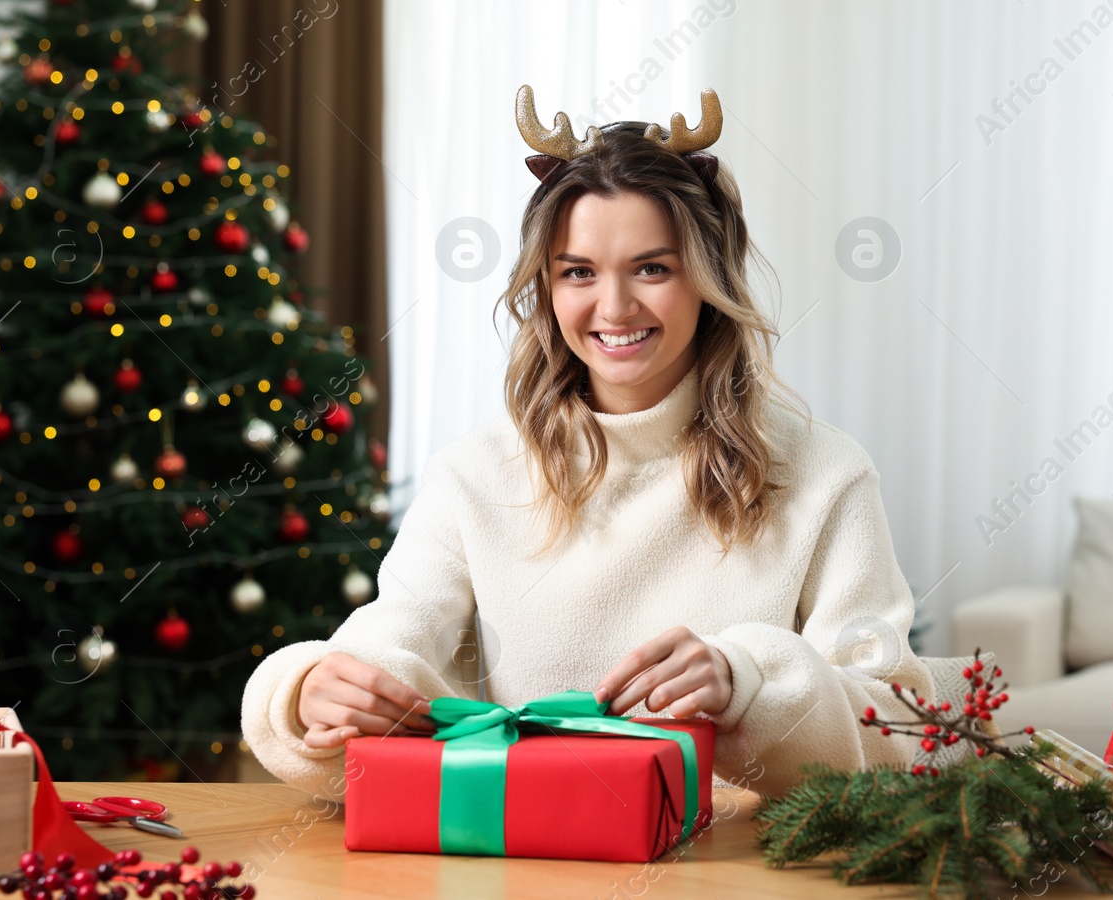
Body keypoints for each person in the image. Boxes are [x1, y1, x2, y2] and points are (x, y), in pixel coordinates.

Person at [240, 85, 963, 801]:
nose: (614, 309)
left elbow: (895, 722)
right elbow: (390, 643)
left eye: (653, 268)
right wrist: (309, 694)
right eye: (578, 272)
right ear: (545, 289)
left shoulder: (823, 473)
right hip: (524, 858)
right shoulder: (474, 475)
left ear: (709, 281)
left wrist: (746, 684)